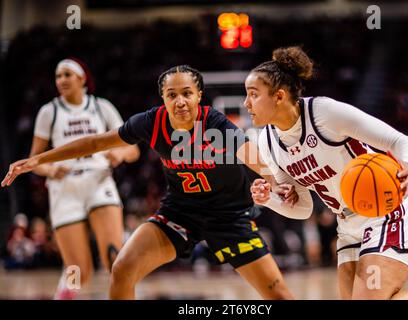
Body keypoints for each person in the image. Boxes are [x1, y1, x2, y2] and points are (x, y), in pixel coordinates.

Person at [2, 65, 296, 300]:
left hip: (229, 217)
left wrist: (271, 177)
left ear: (199, 95)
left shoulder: (214, 122)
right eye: (171, 95)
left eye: (186, 93)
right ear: (163, 98)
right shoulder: (151, 122)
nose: (180, 101)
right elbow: (95, 142)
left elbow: (249, 153)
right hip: (180, 214)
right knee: (122, 269)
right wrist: (40, 159)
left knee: (278, 294)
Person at [245, 46, 408, 300]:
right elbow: (302, 208)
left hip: (383, 212)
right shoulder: (267, 142)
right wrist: (270, 200)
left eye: (253, 95)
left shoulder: (325, 114)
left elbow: (400, 142)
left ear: (279, 96)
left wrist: (407, 164)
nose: (246, 103)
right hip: (346, 225)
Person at [26, 58, 140, 299]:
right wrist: (50, 170)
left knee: (116, 262)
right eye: (58, 76)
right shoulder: (50, 111)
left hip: (99, 183)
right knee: (79, 272)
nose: (61, 80)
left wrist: (118, 154)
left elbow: (133, 150)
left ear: (82, 78)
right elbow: (34, 161)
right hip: (65, 188)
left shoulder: (101, 107)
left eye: (67, 74)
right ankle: (63, 294)